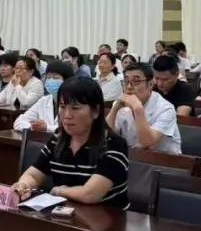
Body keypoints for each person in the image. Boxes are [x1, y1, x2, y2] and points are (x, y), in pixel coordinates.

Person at [12, 77, 130, 209]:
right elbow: (33, 174)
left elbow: (90, 194)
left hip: (108, 218)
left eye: (75, 108)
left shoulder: (114, 145)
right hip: (65, 214)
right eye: (62, 107)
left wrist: (59, 191)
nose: (67, 115)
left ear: (96, 111)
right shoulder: (58, 138)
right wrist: (24, 185)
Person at [107, 63, 182, 154]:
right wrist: (115, 109)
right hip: (132, 156)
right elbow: (106, 136)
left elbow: (147, 142)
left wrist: (138, 109)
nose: (129, 87)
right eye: (126, 81)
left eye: (136, 81)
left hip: (162, 159)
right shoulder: (121, 103)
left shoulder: (166, 109)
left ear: (150, 84)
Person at [14, 60, 73, 132]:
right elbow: (18, 122)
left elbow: (70, 128)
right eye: (48, 77)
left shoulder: (74, 102)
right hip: (42, 139)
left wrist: (45, 128)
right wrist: (33, 127)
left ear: (67, 80)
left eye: (56, 78)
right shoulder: (44, 100)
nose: (51, 81)